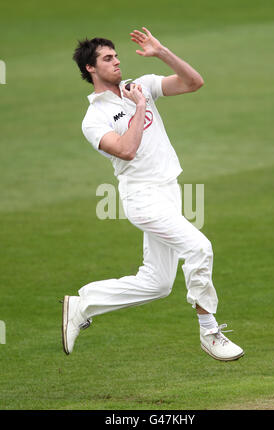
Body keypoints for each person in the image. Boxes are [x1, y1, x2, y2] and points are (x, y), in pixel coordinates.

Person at [62, 27, 244, 361]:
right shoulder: (94, 118)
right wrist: (140, 104)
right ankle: (209, 331)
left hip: (169, 190)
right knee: (200, 248)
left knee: (158, 283)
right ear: (90, 68)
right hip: (142, 198)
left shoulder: (138, 84)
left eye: (116, 56)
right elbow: (127, 150)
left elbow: (193, 82)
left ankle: (83, 303)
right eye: (107, 58)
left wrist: (161, 52)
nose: (117, 62)